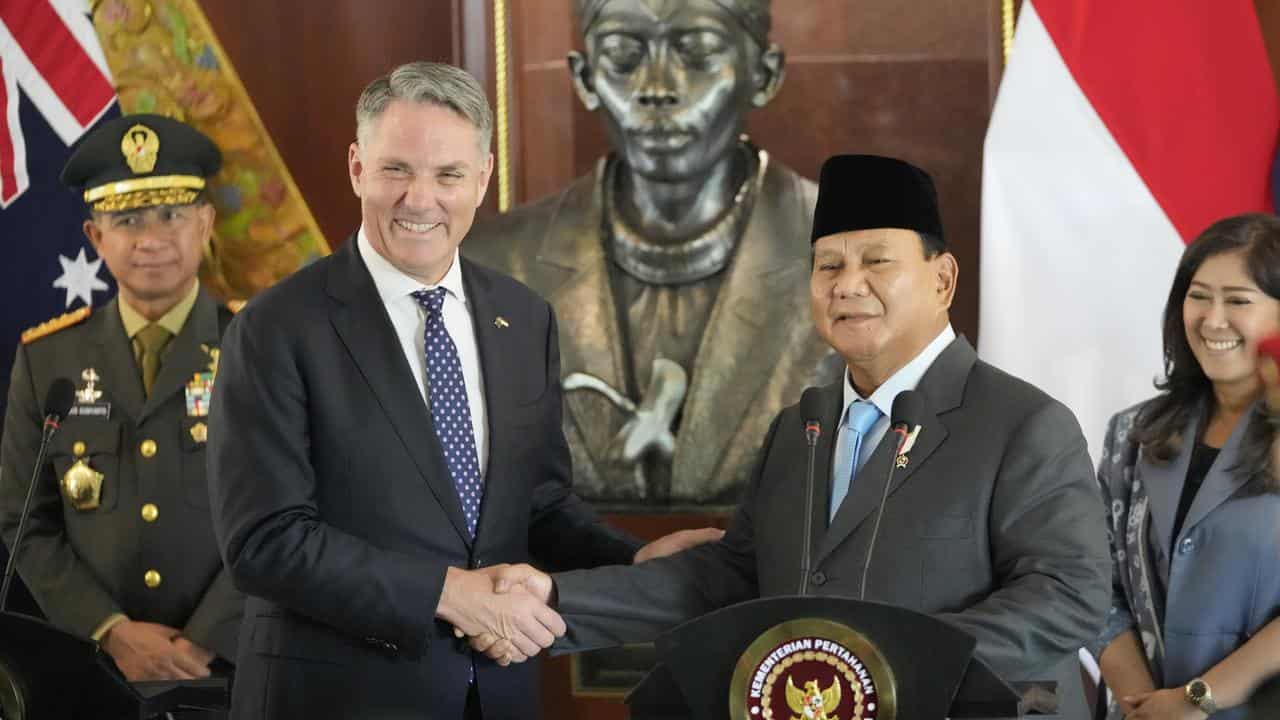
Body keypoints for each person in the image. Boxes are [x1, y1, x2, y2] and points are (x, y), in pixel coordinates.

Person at [472, 155, 1113, 717]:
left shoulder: (1023, 424)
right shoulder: (799, 428)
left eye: (876, 261)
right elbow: (729, 577)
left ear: (941, 279)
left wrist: (883, 667)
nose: (847, 283)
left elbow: (1069, 596)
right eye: (828, 264)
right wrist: (555, 596)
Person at [206, 61, 719, 720]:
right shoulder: (274, 327)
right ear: (358, 168)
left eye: (448, 175)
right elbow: (264, 543)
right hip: (335, 697)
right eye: (397, 170)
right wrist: (448, 593)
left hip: (495, 695)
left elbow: (533, 503)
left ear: (483, 178)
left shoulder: (524, 317)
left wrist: (634, 557)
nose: (421, 200)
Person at [463, 0, 838, 507]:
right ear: (585, 77)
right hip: (573, 579)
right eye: (622, 55)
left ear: (765, 74)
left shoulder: (844, 258)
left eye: (698, 52)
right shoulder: (495, 265)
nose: (656, 86)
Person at [0, 114, 243, 682]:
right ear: (95, 237)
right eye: (127, 219)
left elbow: (293, 515)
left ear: (205, 223)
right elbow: (22, 521)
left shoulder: (257, 349)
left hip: (232, 669)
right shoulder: (47, 361)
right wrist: (109, 630)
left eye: (172, 215)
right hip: (93, 669)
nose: (151, 239)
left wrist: (205, 642)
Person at [1091, 213, 1280, 720]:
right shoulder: (1131, 432)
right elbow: (1092, 579)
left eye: (1238, 300)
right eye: (1199, 296)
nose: (1212, 320)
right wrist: (1145, 707)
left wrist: (1195, 701)